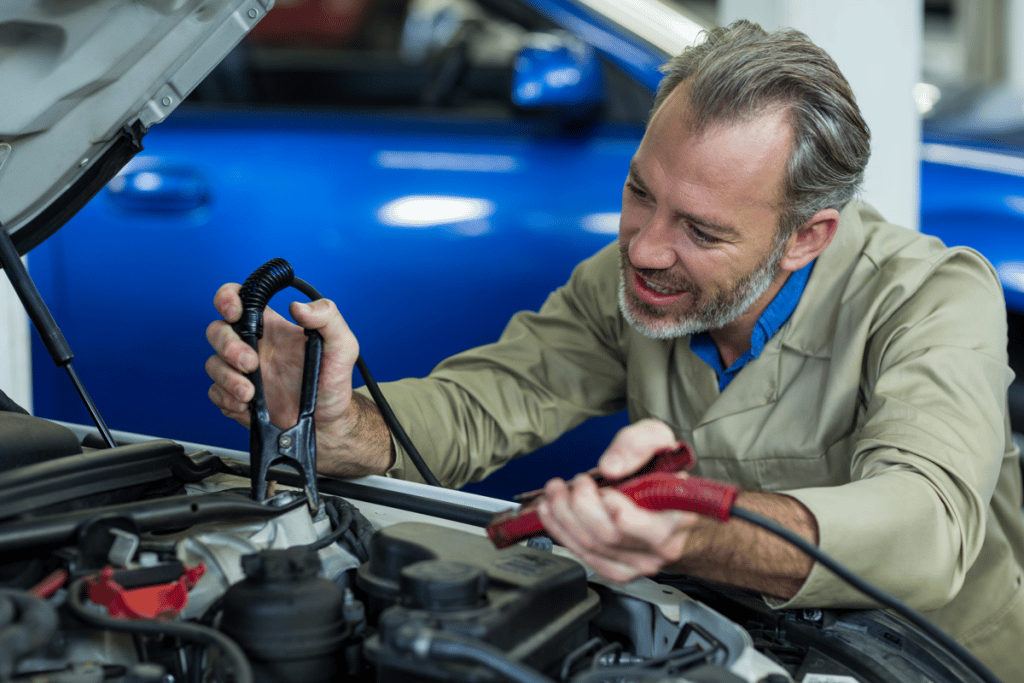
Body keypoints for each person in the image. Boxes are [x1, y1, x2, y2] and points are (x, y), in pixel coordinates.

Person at [206, 20, 1024, 681]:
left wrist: (692, 526)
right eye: (640, 191)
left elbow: (927, 523)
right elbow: (482, 403)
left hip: (928, 660)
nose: (644, 248)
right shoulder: (625, 281)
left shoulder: (933, 296)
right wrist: (347, 425)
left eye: (700, 229)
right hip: (724, 647)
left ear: (804, 237)